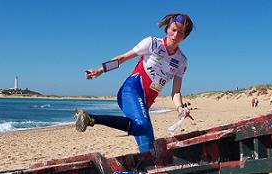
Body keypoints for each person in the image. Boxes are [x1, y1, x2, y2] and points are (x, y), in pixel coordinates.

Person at [74, 13, 194, 153]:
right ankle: (91, 118)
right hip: (130, 91)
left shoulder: (181, 61)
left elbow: (176, 91)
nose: (175, 35)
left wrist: (180, 108)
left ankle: (142, 171)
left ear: (184, 36)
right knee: (142, 125)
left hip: (145, 103)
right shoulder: (152, 43)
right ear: (168, 29)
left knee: (149, 149)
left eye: (180, 33)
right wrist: (100, 70)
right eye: (173, 30)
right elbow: (123, 58)